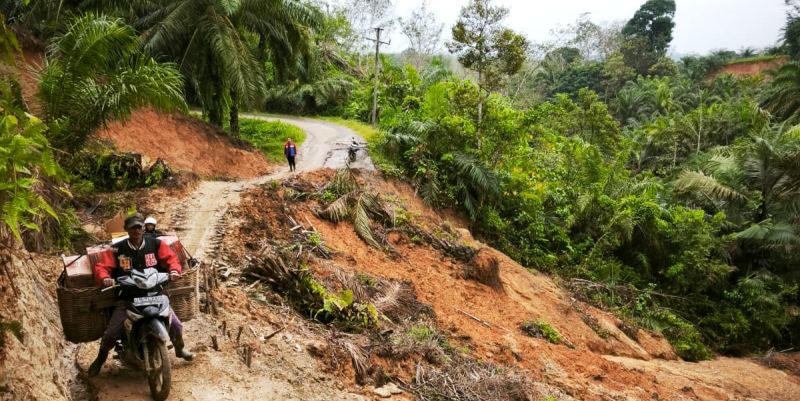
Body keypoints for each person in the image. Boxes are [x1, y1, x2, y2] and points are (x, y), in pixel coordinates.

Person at [88, 214, 194, 377]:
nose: (137, 230)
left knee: (177, 325)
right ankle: (100, 359)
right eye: (133, 227)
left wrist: (173, 270)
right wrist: (106, 278)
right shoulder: (117, 249)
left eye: (139, 227)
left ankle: (180, 349)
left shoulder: (156, 244)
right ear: (126, 229)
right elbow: (102, 266)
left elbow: (172, 259)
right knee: (111, 332)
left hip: (155, 293)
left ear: (143, 227)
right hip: (129, 296)